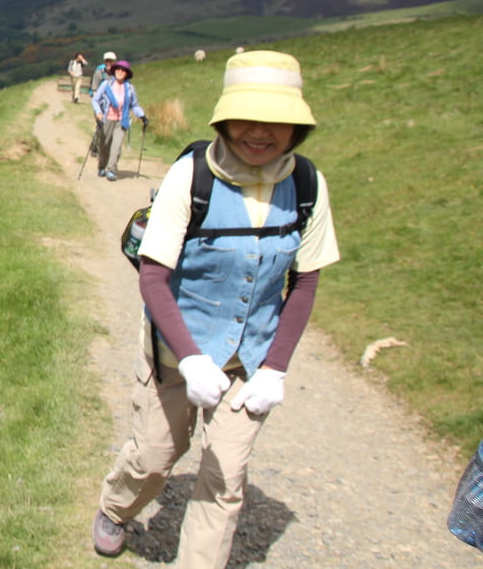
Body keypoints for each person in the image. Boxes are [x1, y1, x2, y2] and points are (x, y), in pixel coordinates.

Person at [92, 50, 340, 568]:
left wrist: (275, 368)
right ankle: (115, 508)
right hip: (174, 352)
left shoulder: (308, 187)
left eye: (278, 121)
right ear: (225, 119)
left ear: (297, 127)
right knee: (156, 456)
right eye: (247, 118)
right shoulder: (191, 177)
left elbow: (306, 281)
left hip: (250, 361)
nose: (260, 132)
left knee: (225, 479)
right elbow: (155, 279)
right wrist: (190, 358)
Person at [90, 59, 146, 181]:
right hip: (107, 119)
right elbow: (95, 100)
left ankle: (111, 170)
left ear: (126, 73)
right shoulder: (106, 84)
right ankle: (102, 166)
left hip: (122, 121)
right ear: (114, 71)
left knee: (116, 146)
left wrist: (142, 115)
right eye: (118, 69)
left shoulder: (130, 88)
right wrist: (98, 112)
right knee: (104, 145)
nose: (120, 72)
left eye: (123, 70)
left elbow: (134, 105)